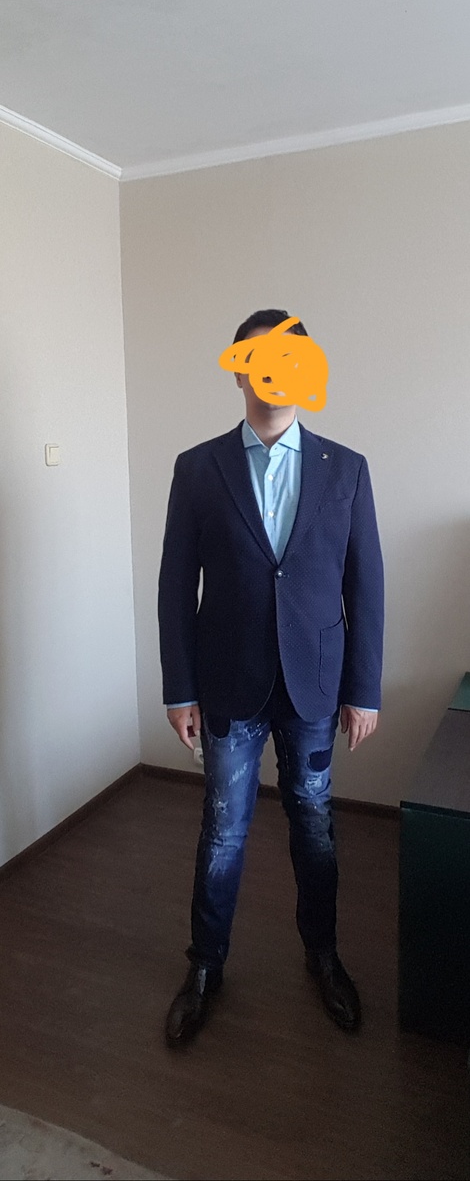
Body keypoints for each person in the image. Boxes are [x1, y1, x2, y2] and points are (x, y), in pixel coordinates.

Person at [158, 308, 384, 1047]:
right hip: (228, 682)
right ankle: (204, 967)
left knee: (313, 823)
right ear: (239, 372)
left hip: (314, 684)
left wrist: (363, 690)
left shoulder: (347, 468)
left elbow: (366, 585)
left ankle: (323, 956)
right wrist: (180, 688)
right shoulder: (198, 468)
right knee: (224, 828)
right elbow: (175, 584)